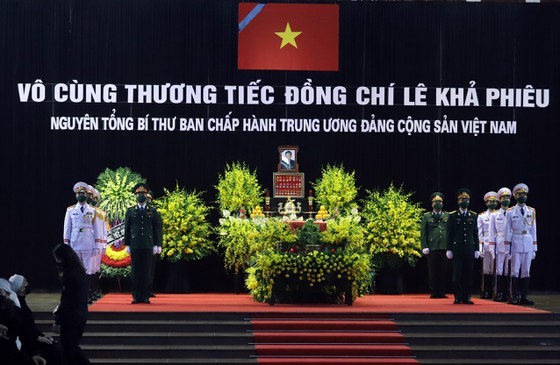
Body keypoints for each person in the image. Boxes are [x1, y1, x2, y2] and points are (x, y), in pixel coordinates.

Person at [9, 275, 63, 365]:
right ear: (21, 288)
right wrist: (36, 337)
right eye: (25, 282)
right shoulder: (18, 305)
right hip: (27, 342)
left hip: (31, 338)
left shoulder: (21, 302)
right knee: (54, 351)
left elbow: (29, 325)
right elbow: (24, 327)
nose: (28, 284)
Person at [63, 181, 102, 304]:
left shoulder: (93, 210)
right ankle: (76, 295)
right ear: (76, 195)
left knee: (87, 271)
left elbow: (96, 229)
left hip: (88, 243)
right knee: (75, 271)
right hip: (75, 242)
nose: (81, 195)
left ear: (86, 195)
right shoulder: (70, 210)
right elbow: (67, 228)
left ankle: (86, 294)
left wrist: (97, 244)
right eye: (79, 193)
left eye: (83, 193)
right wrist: (66, 243)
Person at [52, 243, 91, 365]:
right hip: (81, 314)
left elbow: (67, 301)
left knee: (68, 350)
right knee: (72, 347)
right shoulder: (80, 271)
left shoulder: (69, 275)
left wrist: (58, 320)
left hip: (71, 317)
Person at [124, 183, 163, 304]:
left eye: (143, 194)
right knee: (136, 271)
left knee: (146, 271)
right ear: (135, 196)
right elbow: (127, 229)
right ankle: (136, 295)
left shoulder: (153, 211)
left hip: (148, 244)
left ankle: (145, 295)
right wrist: (127, 244)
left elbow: (157, 228)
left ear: (146, 196)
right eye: (138, 194)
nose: (141, 196)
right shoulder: (130, 211)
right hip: (135, 244)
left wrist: (158, 244)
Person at [505, 183, 537, 305]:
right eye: (519, 194)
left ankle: (524, 296)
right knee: (515, 271)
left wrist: (534, 248)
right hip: (516, 240)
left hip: (528, 241)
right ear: (515, 196)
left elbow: (534, 229)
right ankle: (514, 296)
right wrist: (507, 247)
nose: (522, 196)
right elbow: (507, 229)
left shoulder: (531, 211)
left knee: (526, 271)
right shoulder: (510, 211)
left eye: (524, 194)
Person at [446, 188, 480, 304]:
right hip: (457, 249)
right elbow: (449, 233)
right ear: (458, 201)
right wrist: (449, 248)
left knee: (468, 275)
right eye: (461, 199)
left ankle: (467, 297)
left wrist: (477, 249)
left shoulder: (474, 215)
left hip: (469, 249)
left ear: (469, 201)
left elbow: (475, 233)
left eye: (466, 199)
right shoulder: (452, 215)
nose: (464, 201)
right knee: (456, 276)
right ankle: (458, 296)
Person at [420, 192, 449, 299]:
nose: (438, 203)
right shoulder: (427, 216)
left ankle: (441, 291)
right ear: (432, 204)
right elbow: (423, 233)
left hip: (444, 246)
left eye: (440, 202)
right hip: (432, 247)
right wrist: (424, 246)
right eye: (436, 202)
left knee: (443, 270)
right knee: (433, 270)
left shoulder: (447, 215)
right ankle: (434, 291)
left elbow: (449, 232)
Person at [489, 187, 512, 302]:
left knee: (510, 270)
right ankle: (499, 293)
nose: (506, 199)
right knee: (499, 270)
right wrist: (492, 248)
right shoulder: (494, 215)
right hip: (499, 243)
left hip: (512, 245)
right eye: (503, 198)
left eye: (507, 197)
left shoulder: (513, 213)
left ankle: (509, 293)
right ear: (499, 200)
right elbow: (491, 232)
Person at [477, 191, 499, 299]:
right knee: (486, 269)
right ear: (486, 203)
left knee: (496, 268)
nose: (493, 203)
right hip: (486, 243)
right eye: (490, 201)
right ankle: (485, 291)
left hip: (497, 243)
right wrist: (480, 246)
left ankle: (495, 291)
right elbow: (480, 232)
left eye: (495, 201)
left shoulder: (500, 214)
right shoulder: (482, 216)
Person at [90, 187, 109, 301]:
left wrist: (102, 244)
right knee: (88, 269)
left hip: (96, 243)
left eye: (94, 197)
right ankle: (89, 291)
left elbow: (102, 230)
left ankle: (93, 290)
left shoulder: (99, 212)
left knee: (94, 268)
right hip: (85, 243)